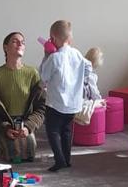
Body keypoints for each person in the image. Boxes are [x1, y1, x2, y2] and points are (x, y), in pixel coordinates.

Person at [40, 20, 99, 172]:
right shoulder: (77, 54)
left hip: (55, 103)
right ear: (69, 39)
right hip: (73, 104)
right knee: (66, 131)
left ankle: (59, 159)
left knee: (53, 131)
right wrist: (82, 77)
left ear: (52, 39)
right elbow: (88, 66)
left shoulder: (54, 58)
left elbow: (43, 76)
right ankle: (67, 159)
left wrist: (46, 55)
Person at [0, 31, 45, 162]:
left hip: (24, 122)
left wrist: (28, 127)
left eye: (23, 42)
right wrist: (5, 128)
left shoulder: (33, 73)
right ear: (5, 47)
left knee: (29, 152)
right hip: (5, 123)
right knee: (12, 153)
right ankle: (0, 139)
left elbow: (41, 107)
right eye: (15, 41)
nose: (20, 44)